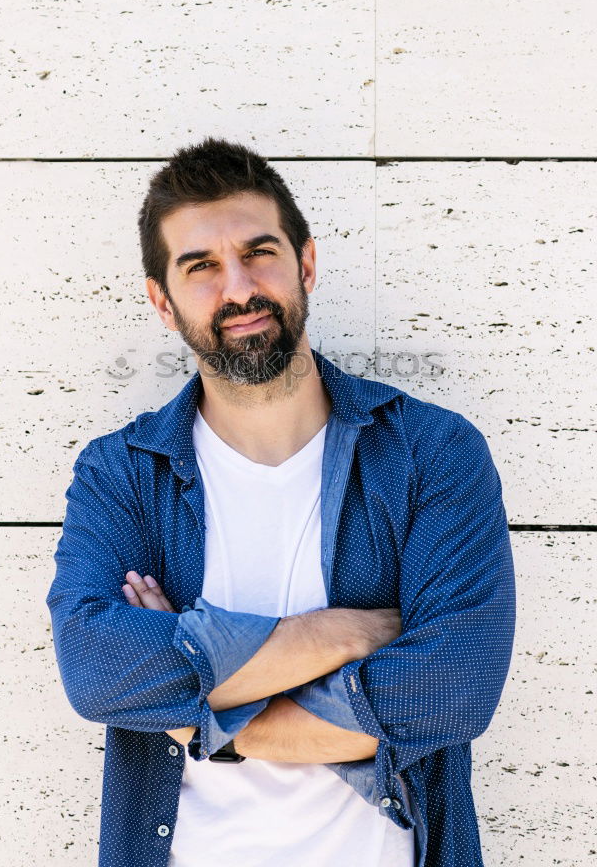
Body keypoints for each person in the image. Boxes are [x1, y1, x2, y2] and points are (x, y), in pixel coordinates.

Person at [46, 136, 516, 867]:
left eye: (259, 252)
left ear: (305, 264)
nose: (238, 289)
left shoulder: (430, 453)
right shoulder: (123, 473)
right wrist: (337, 635)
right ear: (161, 302)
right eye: (200, 267)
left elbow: (453, 691)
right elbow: (97, 670)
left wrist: (194, 710)